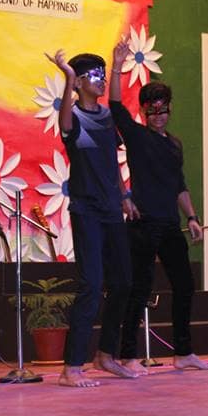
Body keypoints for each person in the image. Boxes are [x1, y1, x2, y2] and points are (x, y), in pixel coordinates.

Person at [109, 43, 208, 372]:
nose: (158, 116)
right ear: (144, 112)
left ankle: (183, 353)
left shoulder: (174, 144)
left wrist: (193, 217)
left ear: (169, 109)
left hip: (169, 223)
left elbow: (179, 185)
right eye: (152, 111)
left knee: (185, 284)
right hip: (143, 222)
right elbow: (115, 107)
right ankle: (128, 356)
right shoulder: (137, 136)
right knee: (139, 288)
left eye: (163, 110)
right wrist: (117, 66)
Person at [47, 49, 138, 386]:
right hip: (86, 210)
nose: (100, 81)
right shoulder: (73, 116)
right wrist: (68, 78)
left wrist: (124, 196)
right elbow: (64, 125)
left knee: (123, 282)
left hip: (112, 208)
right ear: (80, 82)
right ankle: (71, 368)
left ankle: (105, 355)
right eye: (95, 76)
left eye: (103, 74)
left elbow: (112, 161)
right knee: (92, 284)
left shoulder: (106, 117)